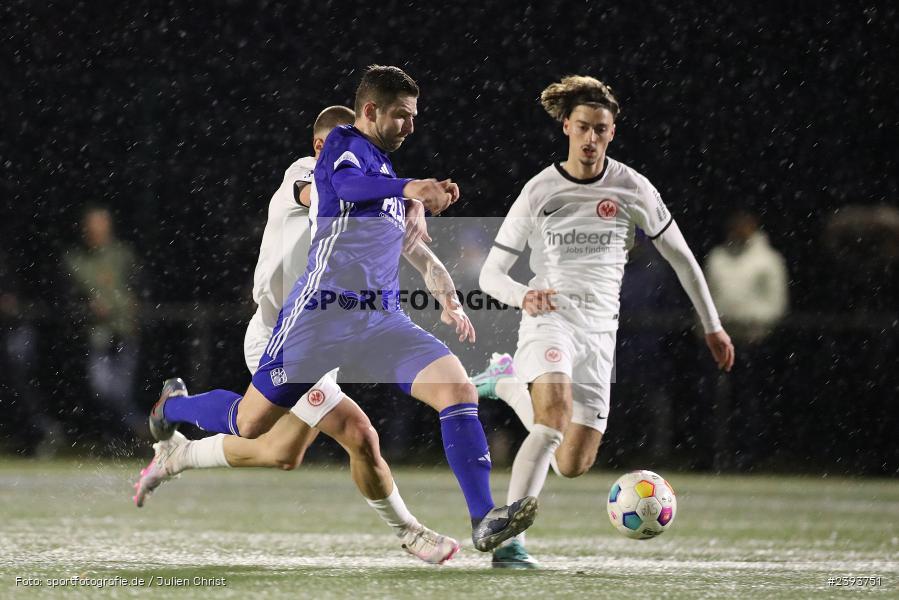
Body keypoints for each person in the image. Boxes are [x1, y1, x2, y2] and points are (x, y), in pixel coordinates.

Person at [146, 66, 537, 553]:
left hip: (379, 322)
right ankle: (171, 409)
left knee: (455, 388)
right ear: (369, 112)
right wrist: (412, 189)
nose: (412, 126)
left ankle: (483, 519)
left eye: (414, 116)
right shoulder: (337, 148)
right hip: (316, 320)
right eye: (402, 115)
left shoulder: (384, 170)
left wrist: (442, 283)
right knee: (253, 427)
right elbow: (344, 187)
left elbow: (404, 236)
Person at [476, 75, 734, 567]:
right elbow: (492, 274)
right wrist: (524, 294)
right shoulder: (540, 190)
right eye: (582, 128)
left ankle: (508, 384)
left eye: (600, 129)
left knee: (571, 463)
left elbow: (683, 259)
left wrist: (713, 325)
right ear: (566, 128)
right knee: (551, 418)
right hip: (549, 321)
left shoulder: (633, 187)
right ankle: (510, 542)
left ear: (612, 132)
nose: (590, 138)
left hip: (600, 335)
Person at [704, 210, 787, 470]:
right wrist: (707, 328)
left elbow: (776, 303)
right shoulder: (718, 258)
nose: (739, 231)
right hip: (720, 342)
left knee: (750, 400)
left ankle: (749, 456)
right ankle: (715, 456)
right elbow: (705, 295)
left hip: (753, 342)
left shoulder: (769, 260)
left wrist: (753, 324)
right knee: (714, 401)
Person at [65, 207, 144, 439]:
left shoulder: (123, 254)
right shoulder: (75, 260)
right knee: (102, 388)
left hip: (125, 330)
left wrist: (135, 303)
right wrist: (85, 307)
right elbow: (66, 298)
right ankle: (138, 427)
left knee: (122, 389)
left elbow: (140, 286)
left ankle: (127, 436)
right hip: (96, 333)